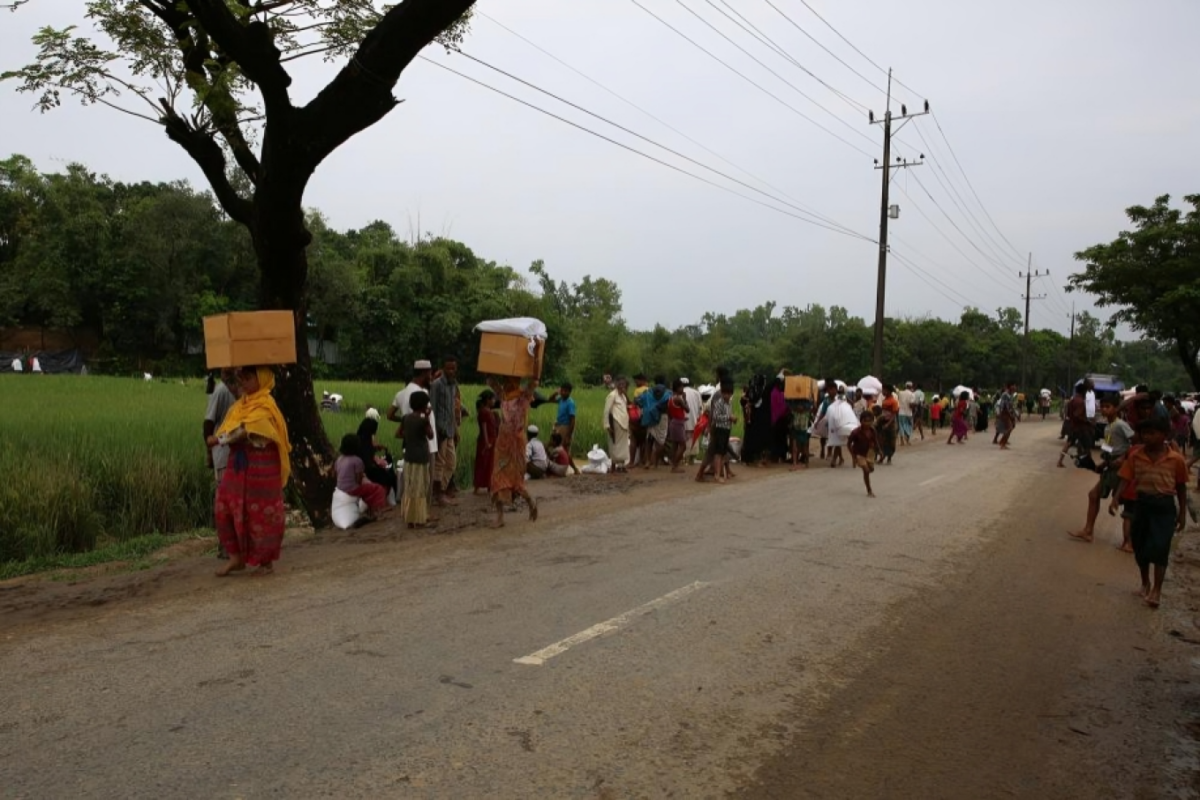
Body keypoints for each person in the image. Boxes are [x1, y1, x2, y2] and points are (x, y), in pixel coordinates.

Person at [210, 366, 290, 578]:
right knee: (223, 506)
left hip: (261, 471)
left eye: (248, 378)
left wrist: (218, 440)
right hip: (238, 466)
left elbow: (246, 430)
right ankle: (235, 557)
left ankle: (266, 562)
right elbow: (230, 426)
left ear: (261, 379)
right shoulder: (240, 406)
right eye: (242, 378)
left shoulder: (266, 406)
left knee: (260, 514)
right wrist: (221, 438)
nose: (243, 383)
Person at [1109, 417, 1189, 609]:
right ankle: (1145, 583)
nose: (1148, 437)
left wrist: (1182, 513)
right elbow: (1125, 478)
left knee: (1160, 548)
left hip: (1164, 507)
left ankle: (1157, 591)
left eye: (1153, 433)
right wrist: (1116, 498)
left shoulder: (1176, 459)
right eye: (1145, 433)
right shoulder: (1136, 456)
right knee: (1140, 546)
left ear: (1165, 435)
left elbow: (1181, 487)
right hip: (1142, 504)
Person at [1069, 394, 1135, 546]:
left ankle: (1129, 540)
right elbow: (1109, 447)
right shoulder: (1107, 427)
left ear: (1115, 408)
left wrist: (1124, 458)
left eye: (1108, 407)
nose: (1104, 410)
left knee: (1127, 503)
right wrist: (1104, 463)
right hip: (1110, 466)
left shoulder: (1121, 425)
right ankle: (1088, 531)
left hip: (1121, 467)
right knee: (1093, 495)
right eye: (1102, 407)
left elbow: (1134, 441)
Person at [489, 375, 539, 527]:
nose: (507, 384)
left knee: (516, 479)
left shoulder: (523, 398)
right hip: (502, 443)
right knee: (497, 478)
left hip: (516, 445)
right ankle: (500, 517)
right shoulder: (504, 396)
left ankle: (530, 500)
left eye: (511, 381)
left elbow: (533, 383)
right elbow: (492, 382)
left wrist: (534, 371)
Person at [203, 368, 238, 560]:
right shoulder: (224, 391)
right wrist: (209, 451)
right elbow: (208, 425)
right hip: (224, 453)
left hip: (229, 453)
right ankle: (227, 546)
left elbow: (208, 423)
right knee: (227, 501)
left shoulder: (233, 390)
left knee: (228, 501)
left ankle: (229, 546)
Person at [389, 359, 439, 472]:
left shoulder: (403, 393)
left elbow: (392, 416)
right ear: (424, 373)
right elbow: (422, 422)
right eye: (430, 374)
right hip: (424, 449)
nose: (431, 377)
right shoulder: (421, 393)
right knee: (423, 484)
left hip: (411, 447)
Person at [429, 355, 464, 506]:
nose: (451, 371)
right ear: (443, 368)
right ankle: (439, 494)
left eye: (453, 368)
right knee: (440, 463)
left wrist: (455, 429)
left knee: (451, 463)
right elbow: (433, 409)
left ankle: (440, 490)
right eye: (448, 368)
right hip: (440, 431)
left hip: (450, 429)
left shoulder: (453, 385)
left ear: (456, 369)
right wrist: (435, 431)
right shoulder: (437, 385)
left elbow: (451, 410)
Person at [334, 434, 388, 520]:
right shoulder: (357, 460)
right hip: (352, 489)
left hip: (340, 487)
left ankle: (369, 509)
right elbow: (358, 480)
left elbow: (337, 473)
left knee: (369, 488)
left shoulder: (339, 459)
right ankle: (378, 512)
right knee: (378, 489)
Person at [400, 391, 433, 528]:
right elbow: (430, 435)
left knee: (410, 487)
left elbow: (398, 433)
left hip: (409, 457)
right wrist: (427, 418)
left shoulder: (406, 418)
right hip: (421, 457)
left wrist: (410, 436)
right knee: (420, 488)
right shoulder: (423, 420)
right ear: (423, 405)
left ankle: (409, 518)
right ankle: (419, 518)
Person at [696, 378, 736, 484]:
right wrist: (729, 417)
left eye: (729, 394)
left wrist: (731, 419)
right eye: (725, 393)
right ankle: (716, 475)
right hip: (718, 429)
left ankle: (703, 474)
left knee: (717, 453)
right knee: (716, 453)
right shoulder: (719, 402)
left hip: (725, 429)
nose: (727, 396)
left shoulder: (729, 403)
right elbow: (716, 417)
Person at [355, 408, 398, 498]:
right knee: (389, 476)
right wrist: (379, 463)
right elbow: (368, 462)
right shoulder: (365, 443)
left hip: (367, 468)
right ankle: (386, 498)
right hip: (368, 471)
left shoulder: (360, 439)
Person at [548, 383, 582, 475]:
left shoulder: (570, 403)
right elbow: (550, 399)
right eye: (562, 390)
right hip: (558, 425)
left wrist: (568, 435)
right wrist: (556, 392)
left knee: (564, 449)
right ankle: (560, 467)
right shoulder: (560, 399)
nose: (563, 392)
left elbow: (572, 420)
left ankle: (574, 469)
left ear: (569, 392)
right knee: (554, 446)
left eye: (565, 391)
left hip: (565, 427)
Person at [637, 380, 671, 469]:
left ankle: (649, 461)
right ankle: (654, 460)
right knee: (661, 441)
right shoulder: (667, 394)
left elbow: (638, 401)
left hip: (651, 419)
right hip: (662, 418)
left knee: (650, 439)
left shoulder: (648, 394)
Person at [1058, 383, 1093, 467]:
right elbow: (1077, 415)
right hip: (1081, 428)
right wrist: (1087, 421)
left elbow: (1069, 415)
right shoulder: (1080, 402)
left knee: (1068, 444)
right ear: (1083, 391)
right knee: (1087, 446)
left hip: (1073, 427)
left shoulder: (1072, 401)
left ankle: (1060, 461)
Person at [603, 377, 631, 473]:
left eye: (624, 384)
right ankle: (613, 466)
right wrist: (607, 425)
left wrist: (625, 394)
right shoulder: (612, 395)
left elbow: (628, 406)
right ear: (617, 384)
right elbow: (606, 411)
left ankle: (622, 465)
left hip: (624, 423)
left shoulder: (623, 396)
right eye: (620, 384)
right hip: (616, 422)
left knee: (623, 446)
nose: (622, 386)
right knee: (614, 444)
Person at [848, 411, 878, 498]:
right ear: (861, 421)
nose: (868, 423)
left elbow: (876, 441)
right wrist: (853, 456)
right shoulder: (856, 432)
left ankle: (868, 469)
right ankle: (869, 490)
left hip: (869, 452)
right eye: (865, 421)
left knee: (871, 469)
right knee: (866, 470)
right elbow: (849, 444)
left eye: (870, 421)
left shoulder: (873, 431)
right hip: (859, 453)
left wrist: (879, 451)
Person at [473, 389, 498, 495]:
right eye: (492, 399)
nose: (494, 401)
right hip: (486, 441)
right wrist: (487, 442)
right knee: (483, 463)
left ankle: (489, 485)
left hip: (492, 440)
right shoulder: (484, 412)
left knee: (490, 464)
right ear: (488, 400)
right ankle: (477, 486)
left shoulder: (490, 412)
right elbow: (484, 428)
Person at [666, 379, 690, 473]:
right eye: (681, 387)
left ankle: (673, 464)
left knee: (675, 445)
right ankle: (675, 465)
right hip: (678, 423)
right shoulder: (678, 399)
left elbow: (669, 413)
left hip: (673, 422)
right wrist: (684, 399)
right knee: (683, 446)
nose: (683, 389)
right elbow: (687, 410)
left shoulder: (671, 398)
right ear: (678, 388)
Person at [681, 379, 704, 464]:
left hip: (683, 421)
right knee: (694, 440)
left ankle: (684, 459)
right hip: (694, 420)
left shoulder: (680, 392)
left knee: (684, 440)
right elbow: (700, 408)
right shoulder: (696, 392)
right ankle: (691, 459)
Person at [788, 397, 814, 470]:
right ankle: (795, 462)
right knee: (795, 447)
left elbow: (811, 408)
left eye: (801, 405)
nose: (800, 407)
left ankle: (806, 462)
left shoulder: (806, 413)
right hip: (796, 430)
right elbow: (790, 407)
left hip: (804, 431)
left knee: (804, 448)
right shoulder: (794, 412)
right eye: (798, 405)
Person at [876, 385, 900, 464]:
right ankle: (882, 457)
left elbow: (894, 414)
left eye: (884, 390)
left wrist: (888, 424)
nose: (883, 392)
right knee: (882, 441)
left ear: (889, 391)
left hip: (890, 423)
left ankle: (889, 457)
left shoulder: (893, 401)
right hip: (883, 422)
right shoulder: (884, 400)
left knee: (891, 441)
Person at [995, 382, 1018, 449]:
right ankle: (1002, 444)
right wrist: (1009, 414)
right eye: (1013, 386)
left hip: (1008, 413)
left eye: (1015, 386)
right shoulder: (1005, 394)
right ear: (1010, 386)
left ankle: (1002, 442)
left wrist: (1014, 414)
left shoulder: (1010, 394)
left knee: (1010, 427)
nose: (1015, 387)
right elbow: (1005, 406)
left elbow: (1011, 406)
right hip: (1005, 413)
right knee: (1009, 428)